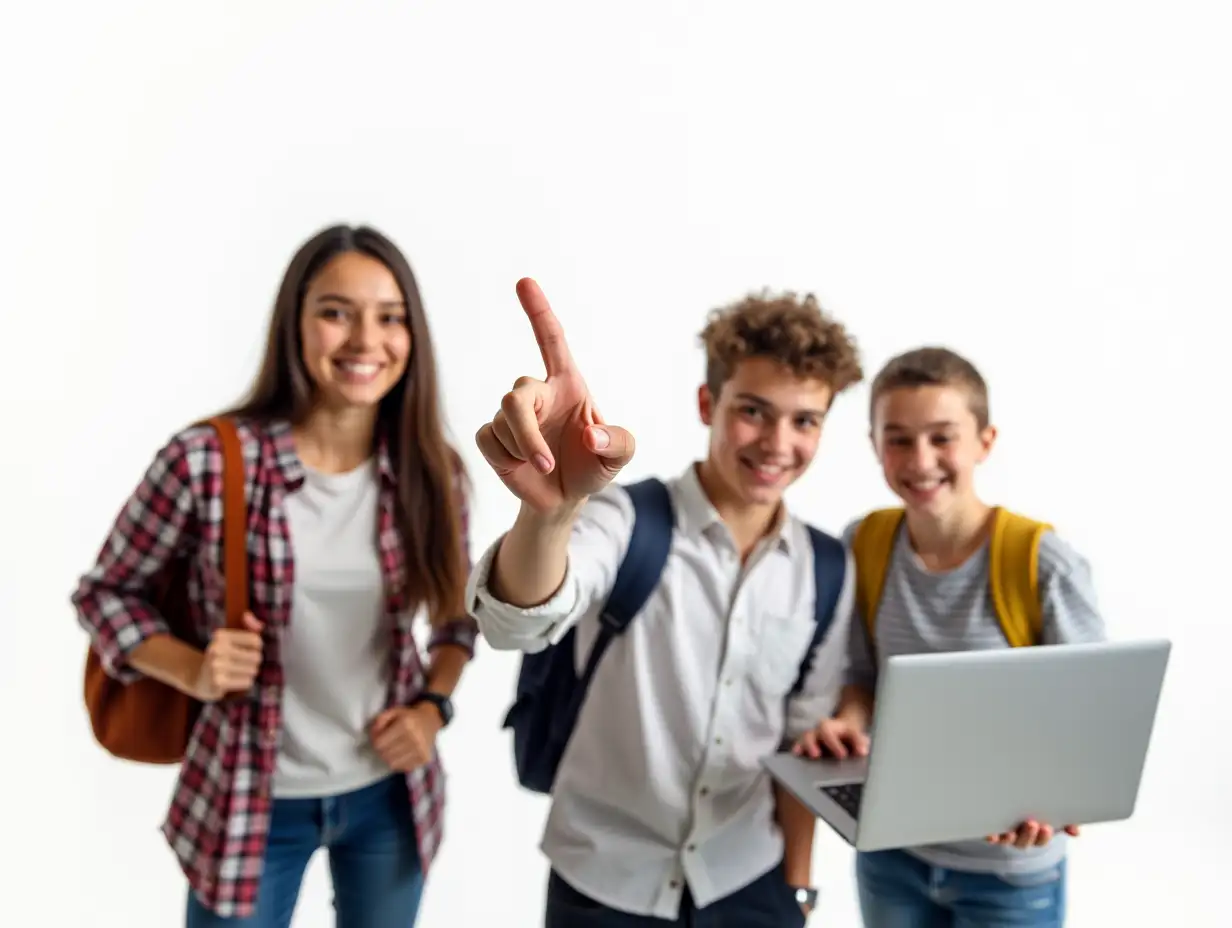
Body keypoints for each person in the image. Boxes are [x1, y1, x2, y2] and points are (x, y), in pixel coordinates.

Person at [71, 224, 478, 927]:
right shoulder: (208, 460)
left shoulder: (432, 471)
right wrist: (192, 669)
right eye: (335, 312)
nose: (364, 340)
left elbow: (455, 619)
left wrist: (431, 708)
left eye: (390, 317)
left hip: (391, 795)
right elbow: (105, 594)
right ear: (295, 322)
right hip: (248, 800)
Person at [466, 279, 865, 926]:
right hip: (604, 883)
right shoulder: (627, 519)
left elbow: (800, 744)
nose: (776, 443)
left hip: (749, 881)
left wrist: (798, 889)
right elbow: (517, 623)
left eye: (805, 420)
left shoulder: (826, 567)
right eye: (754, 410)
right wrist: (551, 512)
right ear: (708, 402)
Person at [793, 346, 1107, 928]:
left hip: (1009, 869)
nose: (921, 459)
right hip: (892, 851)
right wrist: (846, 723)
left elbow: (1089, 719)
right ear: (874, 445)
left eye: (943, 437)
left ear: (985, 441)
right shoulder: (866, 542)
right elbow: (862, 677)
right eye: (899, 438)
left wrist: (1049, 802)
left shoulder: (1043, 564)